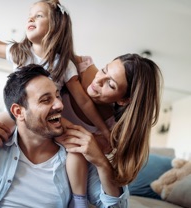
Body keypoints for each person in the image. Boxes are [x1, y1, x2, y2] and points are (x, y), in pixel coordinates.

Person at [0, 1, 110, 207]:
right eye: (30, 15)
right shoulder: (19, 52)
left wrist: (104, 130)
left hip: (48, 118)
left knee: (75, 147)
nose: (30, 18)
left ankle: (79, 201)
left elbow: (83, 101)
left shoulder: (64, 64)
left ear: (55, 27)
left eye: (39, 16)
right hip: (15, 112)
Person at [0, 64, 129, 208]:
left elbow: (116, 207)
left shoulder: (76, 156)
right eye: (45, 100)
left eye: (57, 96)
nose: (59, 105)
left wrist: (102, 162)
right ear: (19, 111)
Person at [59, 53, 163, 188]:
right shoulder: (79, 65)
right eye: (104, 70)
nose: (98, 81)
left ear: (124, 100)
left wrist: (100, 160)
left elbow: (117, 188)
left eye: (111, 84)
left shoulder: (111, 133)